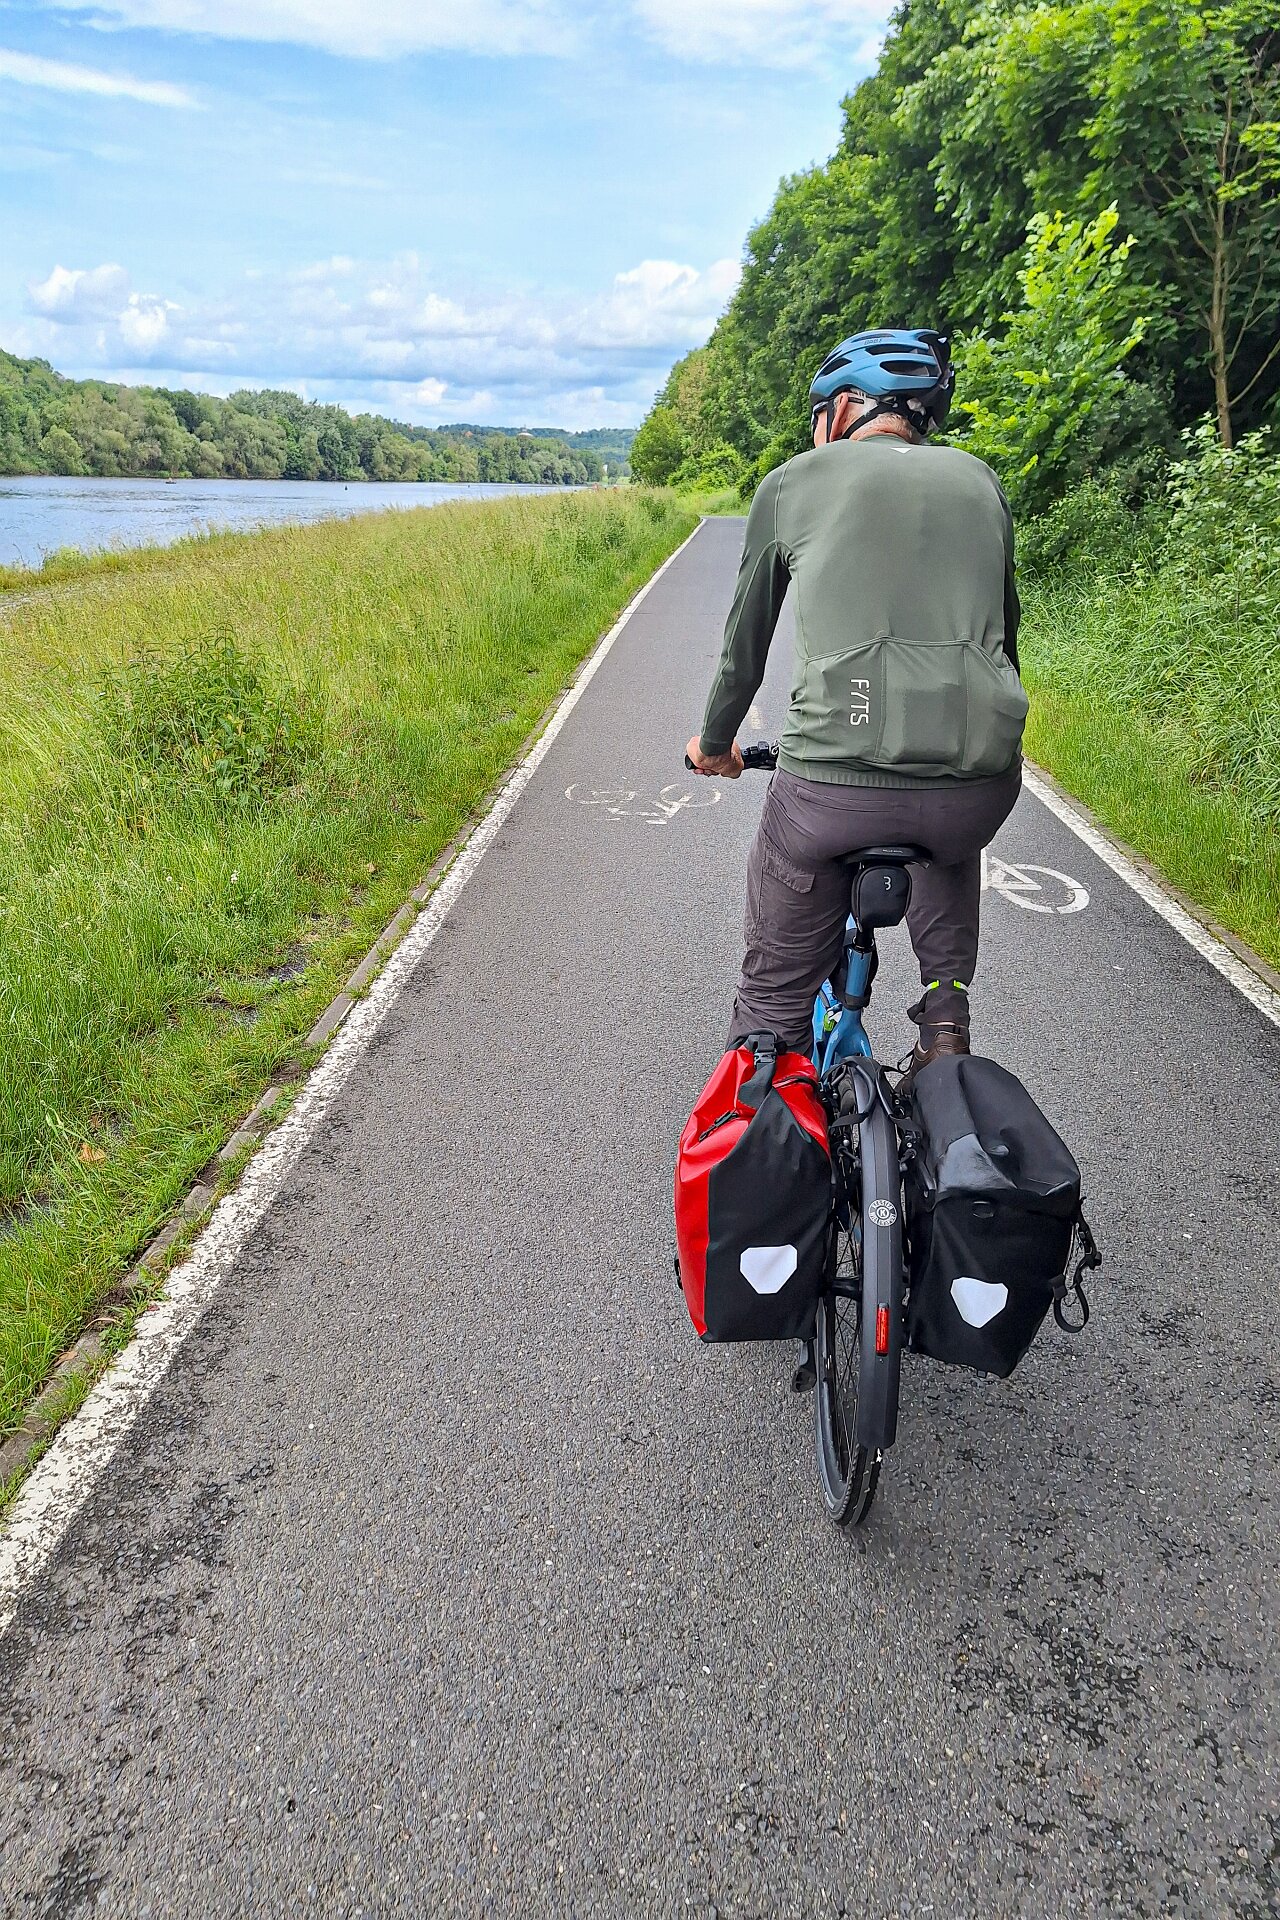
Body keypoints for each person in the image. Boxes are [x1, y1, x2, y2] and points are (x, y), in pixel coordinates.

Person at [685, 329, 1026, 1091]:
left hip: (831, 789)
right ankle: (945, 1022)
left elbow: (744, 647)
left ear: (843, 408)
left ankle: (768, 1064)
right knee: (948, 839)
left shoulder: (794, 482)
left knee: (772, 997)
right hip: (979, 782)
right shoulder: (980, 480)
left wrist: (715, 742)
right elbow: (1006, 634)